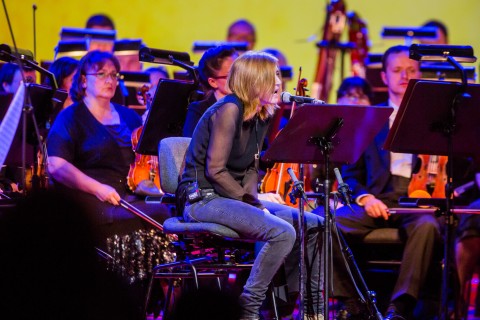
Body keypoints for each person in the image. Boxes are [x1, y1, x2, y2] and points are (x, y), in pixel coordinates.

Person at [176, 51, 324, 320]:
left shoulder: (261, 113)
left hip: (228, 198)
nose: (279, 82)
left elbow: (251, 169)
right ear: (254, 81)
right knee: (283, 233)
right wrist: (253, 205)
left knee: (314, 223)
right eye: (272, 76)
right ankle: (249, 308)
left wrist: (255, 200)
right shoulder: (229, 109)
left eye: (278, 75)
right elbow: (216, 171)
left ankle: (313, 311)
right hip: (203, 199)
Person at [46, 52, 173, 319]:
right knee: (141, 219)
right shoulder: (72, 117)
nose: (109, 80)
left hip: (126, 194)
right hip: (88, 196)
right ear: (83, 81)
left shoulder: (129, 117)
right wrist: (97, 188)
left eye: (114, 74)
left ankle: (149, 301)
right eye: (101, 74)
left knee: (165, 212)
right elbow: (56, 165)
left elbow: (143, 166)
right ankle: (124, 301)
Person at [333, 45, 442, 320]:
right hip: (376, 198)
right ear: (383, 77)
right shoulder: (369, 119)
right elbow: (350, 175)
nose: (405, 76)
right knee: (325, 224)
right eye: (397, 70)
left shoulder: (436, 120)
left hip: (417, 202)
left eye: (411, 70)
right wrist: (365, 198)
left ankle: (399, 308)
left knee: (428, 226)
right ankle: (353, 300)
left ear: (420, 74)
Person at [182, 45, 238, 137]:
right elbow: (192, 147)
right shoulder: (199, 111)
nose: (240, 79)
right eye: (231, 75)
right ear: (213, 82)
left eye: (241, 72)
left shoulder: (249, 108)